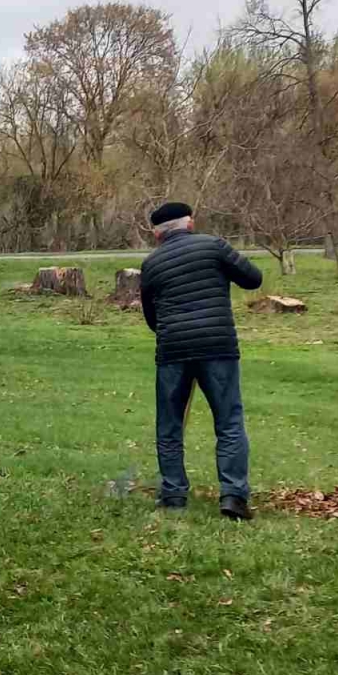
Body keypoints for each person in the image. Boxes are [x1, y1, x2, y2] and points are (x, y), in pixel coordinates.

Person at [139, 202, 263, 519]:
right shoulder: (214, 246)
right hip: (217, 345)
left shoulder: (151, 264)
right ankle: (233, 496)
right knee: (229, 422)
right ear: (190, 223)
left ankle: (173, 495)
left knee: (169, 425)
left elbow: (151, 318)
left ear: (157, 234)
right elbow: (253, 279)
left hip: (173, 351)